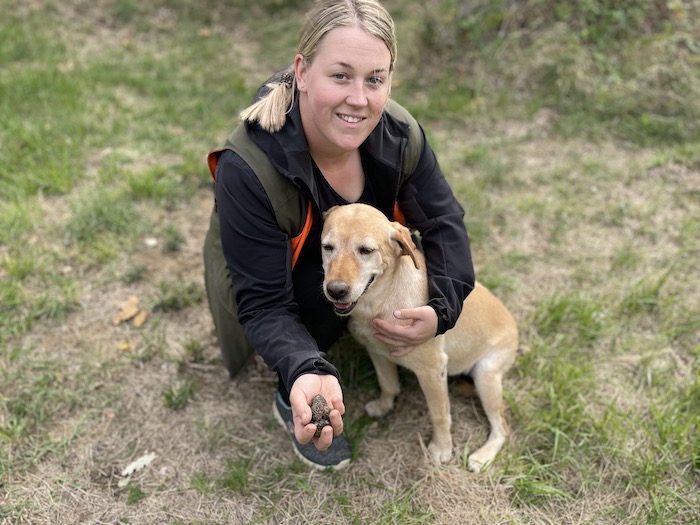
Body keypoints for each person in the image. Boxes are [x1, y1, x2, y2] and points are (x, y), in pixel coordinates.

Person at [203, 0, 474, 470]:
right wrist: (303, 368)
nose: (359, 98)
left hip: (346, 257)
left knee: (343, 275)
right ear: (302, 72)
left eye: (375, 79)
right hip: (264, 278)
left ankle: (346, 324)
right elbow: (263, 302)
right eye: (340, 75)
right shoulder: (247, 168)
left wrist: (440, 311)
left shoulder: (399, 132)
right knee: (324, 284)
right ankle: (293, 393)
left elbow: (443, 223)